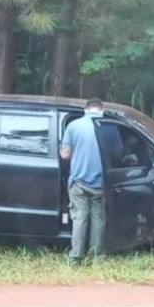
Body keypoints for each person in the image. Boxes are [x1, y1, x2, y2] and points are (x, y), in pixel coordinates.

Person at [60, 98, 117, 266]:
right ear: (101, 110)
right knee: (98, 219)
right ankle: (97, 256)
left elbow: (65, 154)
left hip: (79, 181)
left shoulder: (74, 126)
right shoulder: (109, 128)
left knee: (80, 219)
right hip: (101, 183)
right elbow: (118, 153)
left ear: (86, 110)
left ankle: (76, 258)